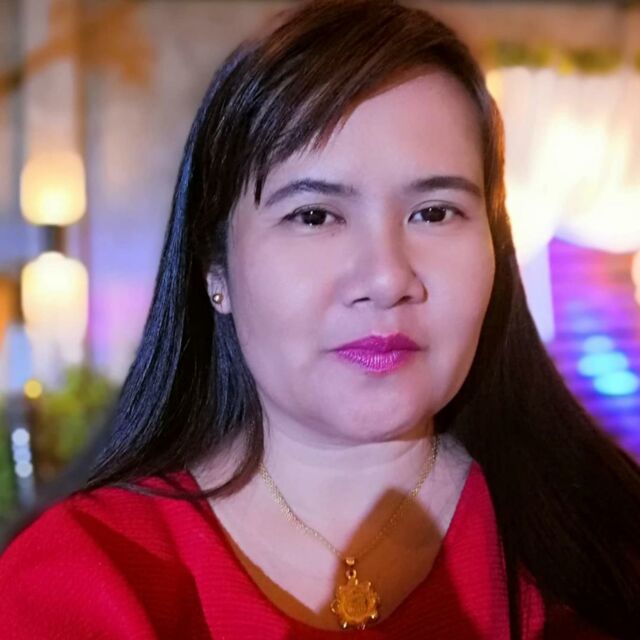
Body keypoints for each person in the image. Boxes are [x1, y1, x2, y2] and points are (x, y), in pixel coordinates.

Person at [1, 0, 639, 638]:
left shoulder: (609, 549)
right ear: (215, 270)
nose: (387, 279)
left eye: (435, 212)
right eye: (313, 216)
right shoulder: (86, 580)